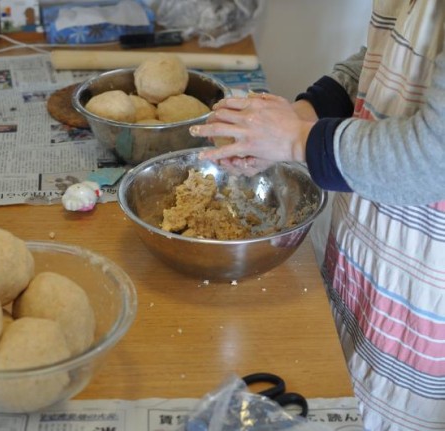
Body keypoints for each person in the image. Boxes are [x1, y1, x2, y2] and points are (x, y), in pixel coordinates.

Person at [189, 1, 445, 430]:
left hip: (423, 303)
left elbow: (432, 158)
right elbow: (389, 60)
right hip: (370, 266)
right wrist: (301, 115)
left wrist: (296, 140)